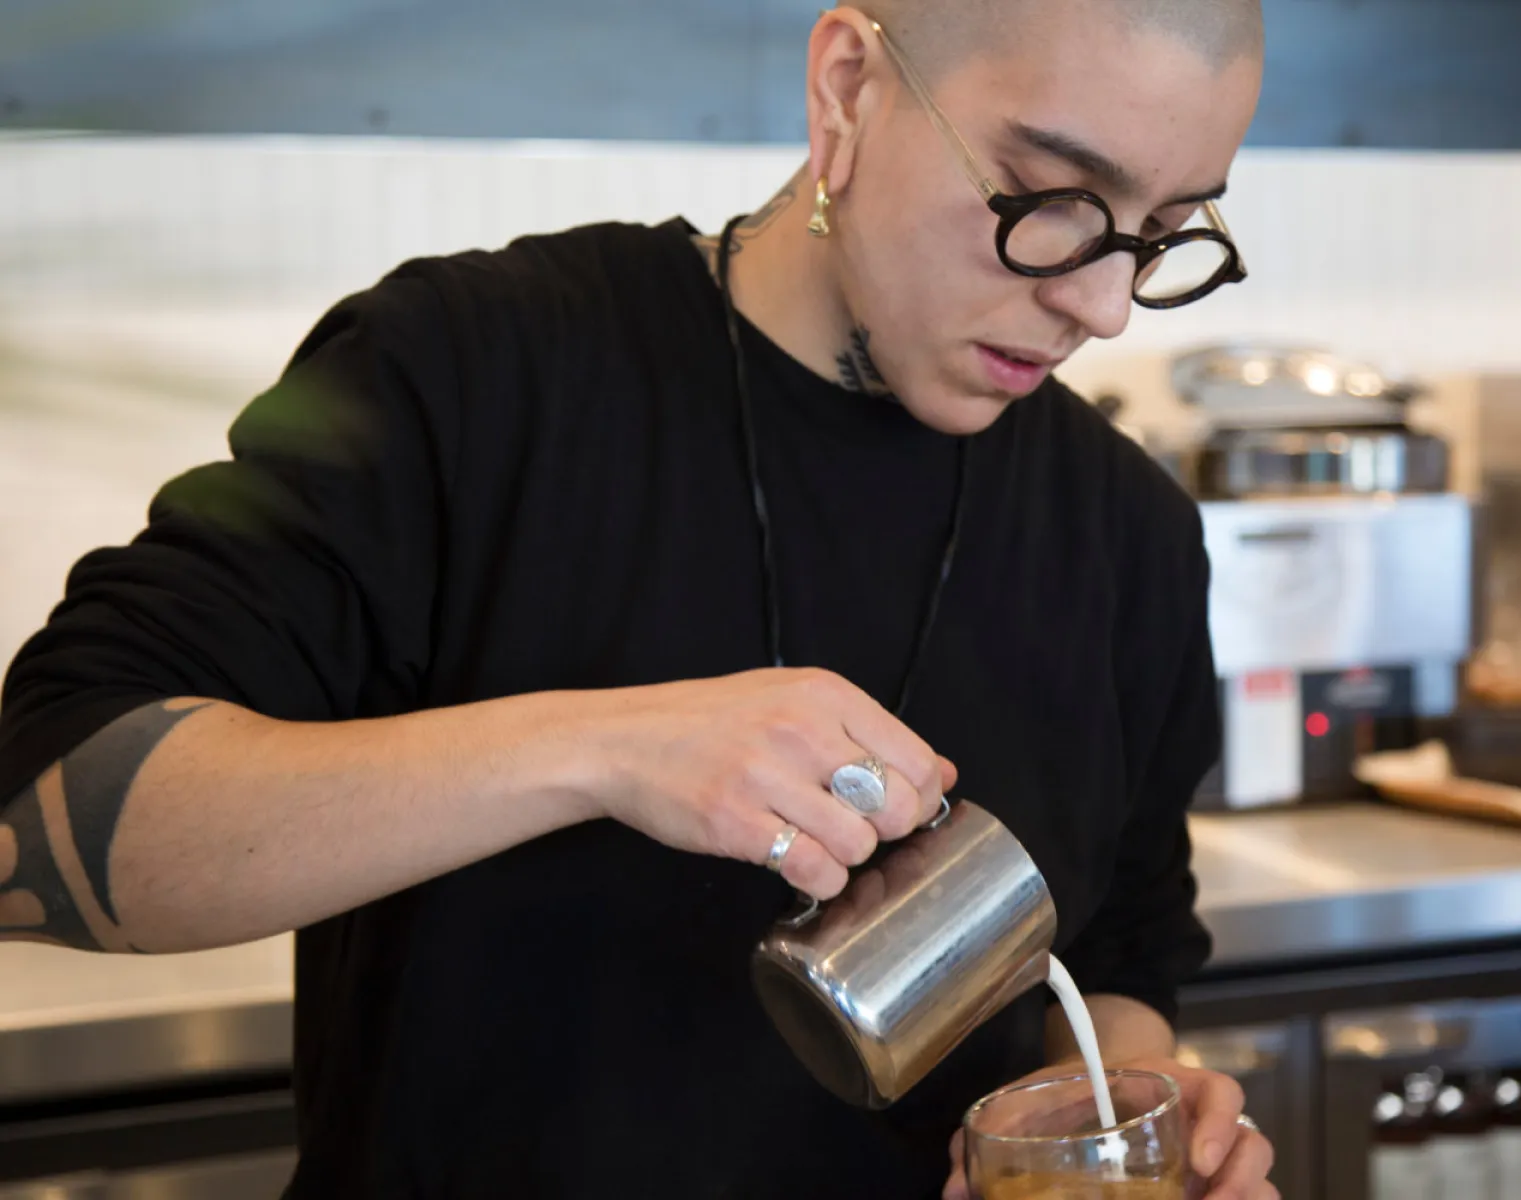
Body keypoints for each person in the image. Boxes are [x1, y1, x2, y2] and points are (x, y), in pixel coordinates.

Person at [0, 1, 1275, 1196]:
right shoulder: (467, 371)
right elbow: (36, 807)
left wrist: (1110, 1118)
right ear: (850, 92)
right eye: (1055, 198)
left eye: (1166, 232)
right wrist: (597, 746)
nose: (1104, 306)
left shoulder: (1129, 528)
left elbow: (1120, 956)